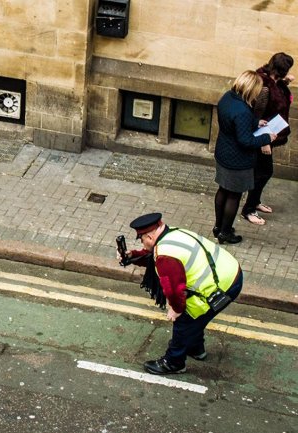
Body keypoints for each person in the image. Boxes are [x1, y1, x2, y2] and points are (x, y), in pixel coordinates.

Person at [119, 213, 244, 375]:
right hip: (232, 273)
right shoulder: (174, 233)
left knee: (185, 320)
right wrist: (132, 256)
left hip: (221, 287)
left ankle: (174, 362)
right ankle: (195, 348)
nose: (142, 243)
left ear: (149, 236)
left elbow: (173, 289)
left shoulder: (165, 254)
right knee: (197, 318)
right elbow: (154, 257)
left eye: (141, 239)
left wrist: (176, 309)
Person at [213, 70, 276, 244]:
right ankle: (226, 233)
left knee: (223, 190)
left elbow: (234, 124)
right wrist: (266, 138)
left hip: (223, 153)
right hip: (237, 160)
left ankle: (218, 227)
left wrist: (255, 123)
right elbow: (245, 141)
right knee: (234, 196)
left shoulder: (228, 97)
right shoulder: (243, 110)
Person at [241, 53, 294, 225]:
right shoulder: (264, 87)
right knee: (263, 172)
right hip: (263, 137)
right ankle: (248, 209)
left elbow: (275, 95)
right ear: (281, 70)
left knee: (263, 172)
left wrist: (284, 83)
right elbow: (258, 115)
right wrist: (264, 141)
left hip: (270, 135)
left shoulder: (272, 80)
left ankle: (254, 202)